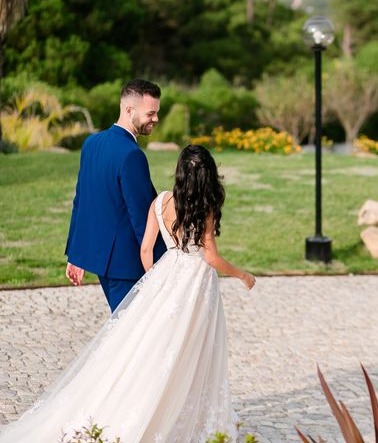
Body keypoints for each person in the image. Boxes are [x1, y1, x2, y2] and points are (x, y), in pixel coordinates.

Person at [0, 145, 256, 442]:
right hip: (195, 284)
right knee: (192, 349)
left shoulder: (160, 202)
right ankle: (183, 414)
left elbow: (146, 249)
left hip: (166, 275)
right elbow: (210, 258)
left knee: (153, 349)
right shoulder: (205, 209)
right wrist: (243, 275)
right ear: (208, 176)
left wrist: (156, 282)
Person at [65, 78, 167, 312]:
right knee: (133, 333)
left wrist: (76, 254)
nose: (156, 119)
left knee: (124, 329)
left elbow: (81, 202)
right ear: (129, 110)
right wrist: (160, 264)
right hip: (128, 265)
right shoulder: (132, 155)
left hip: (104, 262)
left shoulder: (91, 143)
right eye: (151, 113)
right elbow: (141, 217)